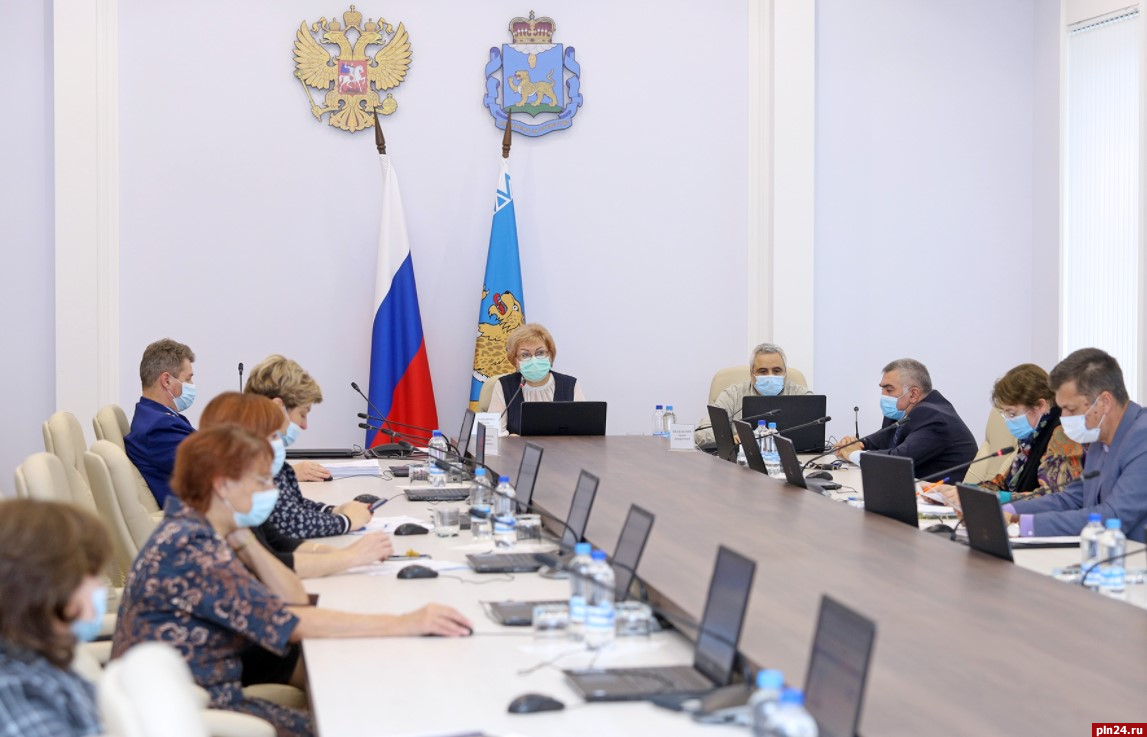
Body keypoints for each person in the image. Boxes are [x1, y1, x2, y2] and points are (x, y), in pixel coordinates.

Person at [112, 426, 472, 737]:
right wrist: (408, 622)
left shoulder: (195, 527)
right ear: (222, 485)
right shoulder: (196, 551)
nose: (271, 489)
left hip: (192, 699)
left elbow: (290, 599)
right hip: (202, 716)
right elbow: (292, 621)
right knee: (356, 722)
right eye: (261, 481)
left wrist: (244, 538)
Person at [199, 392, 393, 577]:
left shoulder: (237, 507)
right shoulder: (202, 534)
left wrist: (347, 552)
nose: (272, 489)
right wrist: (351, 555)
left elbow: (279, 543)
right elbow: (273, 566)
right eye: (273, 436)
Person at [1001, 348, 1147, 541]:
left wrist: (1022, 524)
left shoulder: (1142, 437)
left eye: (1071, 409)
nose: (1063, 417)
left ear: (1104, 402)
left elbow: (1113, 516)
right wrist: (1005, 510)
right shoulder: (1100, 438)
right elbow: (1070, 498)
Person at [0, 499, 113, 737]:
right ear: (47, 587)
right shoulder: (14, 693)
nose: (98, 586)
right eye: (88, 575)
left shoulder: (42, 661)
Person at [244, 354, 371, 537]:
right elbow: (291, 523)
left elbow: (293, 504)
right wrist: (347, 521)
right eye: (302, 414)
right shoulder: (248, 453)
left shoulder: (263, 447)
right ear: (278, 406)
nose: (304, 425)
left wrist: (334, 510)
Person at [937, 364, 1083, 505]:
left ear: (1040, 405)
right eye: (1005, 414)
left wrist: (988, 497)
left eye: (1012, 414)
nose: (1008, 421)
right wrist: (962, 491)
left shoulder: (1063, 434)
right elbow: (1004, 484)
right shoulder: (1031, 438)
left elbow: (1053, 497)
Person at [835, 358, 978, 481]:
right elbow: (878, 442)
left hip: (942, 497)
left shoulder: (934, 417)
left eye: (889, 390)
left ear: (914, 394)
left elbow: (899, 459)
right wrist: (854, 444)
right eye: (882, 389)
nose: (883, 395)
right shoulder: (900, 412)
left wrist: (853, 454)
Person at [694, 342, 812, 446]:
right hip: (742, 460)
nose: (770, 376)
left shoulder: (800, 394)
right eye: (763, 371)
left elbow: (816, 429)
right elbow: (700, 434)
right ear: (751, 374)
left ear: (785, 372)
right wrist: (729, 437)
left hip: (793, 458)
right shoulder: (733, 395)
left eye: (776, 371)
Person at [123, 338, 196, 506]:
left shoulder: (155, 416)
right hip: (194, 513)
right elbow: (206, 468)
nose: (192, 385)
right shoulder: (158, 428)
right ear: (166, 381)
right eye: (188, 379)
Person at [487, 323, 585, 436]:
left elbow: (583, 431)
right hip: (517, 448)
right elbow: (493, 433)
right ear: (516, 360)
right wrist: (510, 439)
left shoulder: (570, 385)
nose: (534, 360)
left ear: (550, 355)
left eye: (540, 353)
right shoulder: (504, 386)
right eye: (525, 355)